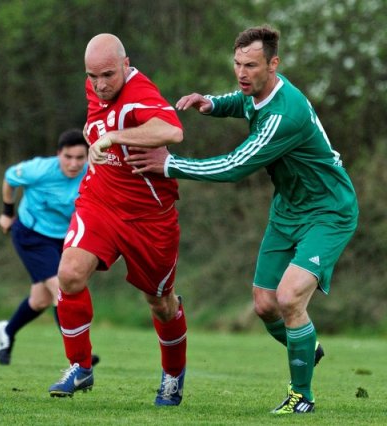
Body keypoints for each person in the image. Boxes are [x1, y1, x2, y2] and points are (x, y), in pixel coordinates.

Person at [126, 25, 358, 414]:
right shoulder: (258, 91)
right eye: (237, 64)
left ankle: (302, 396)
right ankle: (307, 346)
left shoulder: (285, 115)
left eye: (251, 66)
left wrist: (170, 164)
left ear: (273, 64)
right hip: (287, 210)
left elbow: (234, 166)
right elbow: (244, 101)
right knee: (265, 304)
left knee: (289, 298)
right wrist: (213, 104)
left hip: (328, 211)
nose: (241, 73)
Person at [47, 33, 188, 407]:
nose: (99, 85)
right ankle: (80, 366)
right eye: (92, 76)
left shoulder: (139, 93)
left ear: (126, 65)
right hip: (100, 203)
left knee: (161, 303)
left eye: (108, 75)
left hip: (149, 218)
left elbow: (172, 130)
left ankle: (173, 375)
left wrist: (113, 137)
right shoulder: (96, 84)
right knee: (69, 274)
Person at [0, 129, 91, 366]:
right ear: (59, 154)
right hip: (31, 235)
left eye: (80, 158)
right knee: (62, 291)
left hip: (64, 239)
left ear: (88, 156)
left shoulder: (92, 173)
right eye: (68, 157)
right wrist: (7, 213)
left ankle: (7, 331)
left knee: (40, 301)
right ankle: (79, 358)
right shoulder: (39, 170)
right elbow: (9, 178)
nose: (74, 164)